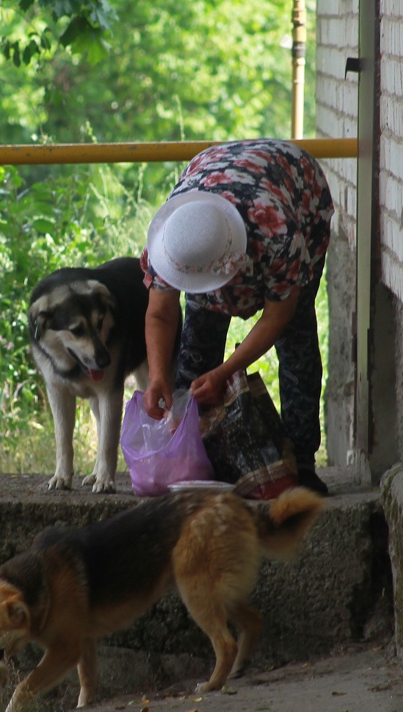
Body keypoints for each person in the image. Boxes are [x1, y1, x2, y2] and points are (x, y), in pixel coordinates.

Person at [140, 138, 335, 495]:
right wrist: (156, 378)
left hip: (298, 187)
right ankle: (196, 458)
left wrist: (225, 373)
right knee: (195, 348)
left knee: (297, 342)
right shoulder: (173, 239)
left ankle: (302, 462)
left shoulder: (277, 233)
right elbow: (160, 315)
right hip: (213, 177)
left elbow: (278, 317)